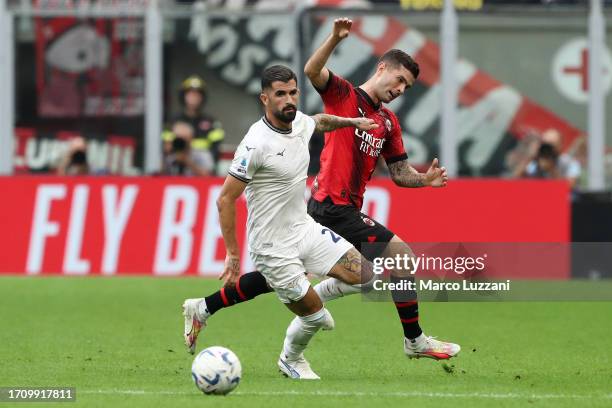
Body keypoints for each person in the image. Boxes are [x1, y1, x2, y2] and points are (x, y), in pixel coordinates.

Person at [184, 19, 460, 362]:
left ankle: (205, 306)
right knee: (399, 256)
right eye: (399, 79)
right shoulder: (344, 94)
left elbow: (401, 172)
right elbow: (313, 70)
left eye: (408, 86)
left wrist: (425, 180)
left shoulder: (388, 122)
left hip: (339, 211)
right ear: (382, 68)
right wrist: (334, 38)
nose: (401, 88)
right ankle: (414, 340)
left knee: (281, 278)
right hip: (330, 205)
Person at [184, 65, 380, 379]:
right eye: (280, 94)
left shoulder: (298, 122)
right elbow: (225, 199)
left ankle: (207, 307)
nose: (288, 100)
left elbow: (319, 121)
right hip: (271, 246)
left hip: (303, 229)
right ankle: (291, 360)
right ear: (265, 99)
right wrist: (233, 255)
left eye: (292, 93)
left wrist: (352, 122)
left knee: (368, 277)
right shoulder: (255, 144)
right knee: (319, 320)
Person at [173, 75, 225, 173]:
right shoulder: (174, 121)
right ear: (183, 96)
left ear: (202, 97)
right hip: (175, 169)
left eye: (197, 94)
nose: (193, 98)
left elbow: (214, 153)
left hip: (201, 168)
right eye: (190, 94)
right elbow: (166, 148)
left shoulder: (211, 123)